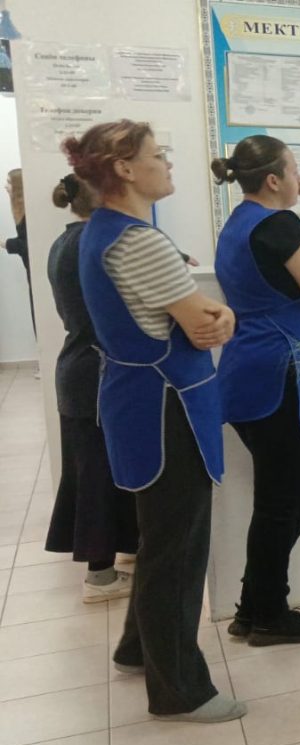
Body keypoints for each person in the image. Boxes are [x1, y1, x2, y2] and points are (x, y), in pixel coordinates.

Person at [63, 119, 244, 723]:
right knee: (178, 550)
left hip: (140, 402)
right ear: (124, 168)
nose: (167, 164)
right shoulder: (139, 241)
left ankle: (138, 649)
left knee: (161, 539)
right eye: (157, 154)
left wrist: (216, 316)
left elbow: (201, 315)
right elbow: (202, 323)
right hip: (168, 408)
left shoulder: (103, 231)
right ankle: (180, 691)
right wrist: (221, 319)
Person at [211, 135, 300, 645]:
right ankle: (266, 613)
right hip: (279, 374)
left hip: (247, 370)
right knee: (284, 499)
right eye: (293, 169)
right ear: (272, 178)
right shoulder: (276, 225)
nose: (297, 175)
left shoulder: (241, 223)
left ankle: (254, 606)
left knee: (285, 494)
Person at [43, 174, 141, 601]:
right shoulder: (94, 243)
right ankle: (99, 575)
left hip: (79, 368)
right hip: (95, 372)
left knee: (100, 471)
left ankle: (125, 549)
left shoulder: (65, 241)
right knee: (97, 475)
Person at [5, 167, 34, 334]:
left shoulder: (29, 214)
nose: (6, 187)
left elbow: (27, 245)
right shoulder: (20, 211)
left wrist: (5, 243)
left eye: (9, 183)